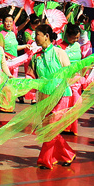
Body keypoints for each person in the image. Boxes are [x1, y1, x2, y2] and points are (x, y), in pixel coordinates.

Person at [32, 26, 75, 169]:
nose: (35, 37)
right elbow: (32, 75)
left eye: (37, 34)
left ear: (46, 36)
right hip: (44, 94)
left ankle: (44, 160)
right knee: (49, 130)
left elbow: (69, 72)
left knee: (51, 129)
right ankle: (67, 154)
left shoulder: (59, 52)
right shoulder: (36, 55)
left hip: (61, 95)